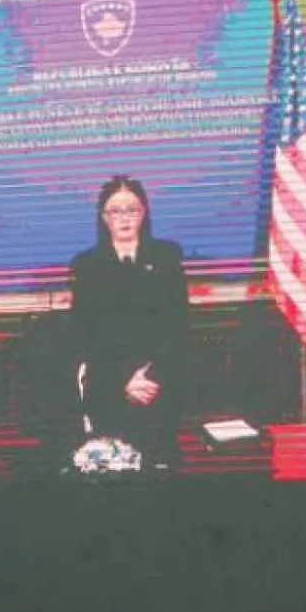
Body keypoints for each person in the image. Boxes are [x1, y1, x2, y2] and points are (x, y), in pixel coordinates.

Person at [68, 175, 190, 468]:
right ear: (104, 217)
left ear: (144, 213)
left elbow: (177, 326)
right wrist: (124, 380)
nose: (124, 217)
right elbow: (86, 336)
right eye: (115, 211)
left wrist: (150, 377)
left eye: (131, 209)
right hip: (109, 388)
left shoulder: (166, 257)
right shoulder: (87, 265)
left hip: (158, 386)